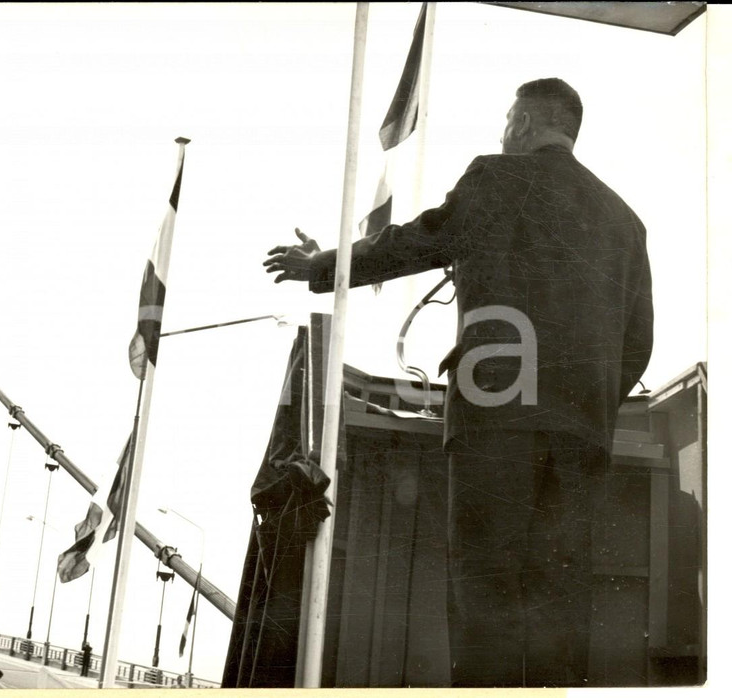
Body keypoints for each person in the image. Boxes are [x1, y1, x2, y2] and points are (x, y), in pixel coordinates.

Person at [263, 78, 653, 687]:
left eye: (508, 120)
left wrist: (324, 265)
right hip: (582, 435)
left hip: (497, 417)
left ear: (525, 123)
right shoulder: (626, 222)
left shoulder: (495, 177)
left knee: (485, 593)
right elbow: (638, 345)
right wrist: (587, 402)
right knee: (559, 601)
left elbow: (417, 241)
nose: (503, 132)